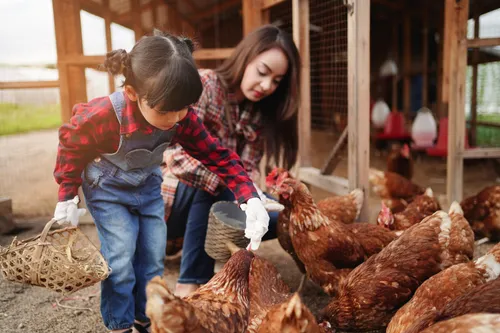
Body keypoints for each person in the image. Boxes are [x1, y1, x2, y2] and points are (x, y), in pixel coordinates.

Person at [52, 30, 270, 333]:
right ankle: (120, 324)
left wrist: (250, 196)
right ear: (132, 93)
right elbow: (71, 141)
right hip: (108, 190)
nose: (176, 118)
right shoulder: (105, 114)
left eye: (183, 108)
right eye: (166, 110)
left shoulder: (180, 117)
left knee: (153, 257)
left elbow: (216, 155)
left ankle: (145, 318)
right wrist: (67, 192)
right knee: (120, 255)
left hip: (148, 189)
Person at [162, 24, 301, 297]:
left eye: (276, 81)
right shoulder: (205, 85)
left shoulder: (259, 114)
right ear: (246, 57)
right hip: (171, 203)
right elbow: (174, 156)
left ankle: (221, 269)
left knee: (270, 218)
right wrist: (235, 183)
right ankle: (190, 283)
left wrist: (252, 197)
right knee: (214, 182)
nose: (266, 86)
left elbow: (247, 171)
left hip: (211, 203)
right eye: (263, 72)